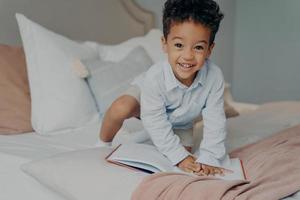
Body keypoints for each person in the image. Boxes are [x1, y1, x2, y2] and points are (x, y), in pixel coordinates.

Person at [100, 0, 230, 176]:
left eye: (198, 47)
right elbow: (153, 118)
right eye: (178, 45)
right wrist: (178, 155)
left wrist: (210, 158)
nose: (188, 56)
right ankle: (102, 143)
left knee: (186, 157)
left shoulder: (214, 77)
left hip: (182, 118)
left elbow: (215, 120)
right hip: (146, 103)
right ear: (164, 44)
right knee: (121, 107)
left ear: (209, 50)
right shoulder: (155, 77)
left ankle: (156, 140)